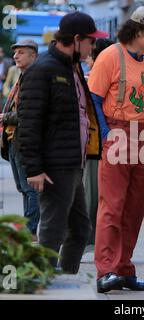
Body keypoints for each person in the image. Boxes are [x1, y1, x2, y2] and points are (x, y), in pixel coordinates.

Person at [17, 12, 107, 273]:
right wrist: (33, 169)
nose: (92, 47)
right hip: (55, 166)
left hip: (73, 163)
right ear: (76, 40)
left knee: (80, 230)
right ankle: (42, 283)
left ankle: (65, 280)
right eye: (90, 42)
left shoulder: (72, 68)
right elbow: (29, 124)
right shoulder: (43, 70)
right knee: (53, 231)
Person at [88, 6, 144, 293]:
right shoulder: (110, 56)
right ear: (137, 30)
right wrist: (108, 134)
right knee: (112, 206)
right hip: (118, 132)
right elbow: (94, 100)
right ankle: (106, 271)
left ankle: (124, 269)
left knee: (135, 207)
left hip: (142, 133)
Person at [0, 40, 39, 238]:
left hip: (25, 140)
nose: (15, 56)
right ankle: (28, 228)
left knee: (30, 188)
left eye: (21, 53)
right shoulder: (22, 77)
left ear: (33, 56)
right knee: (23, 188)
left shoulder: (34, 79)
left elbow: (29, 113)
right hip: (14, 139)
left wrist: (4, 117)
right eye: (15, 53)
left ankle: (31, 231)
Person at [83, 38, 114, 248]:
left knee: (92, 195)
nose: (86, 57)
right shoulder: (94, 76)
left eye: (90, 53)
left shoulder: (98, 77)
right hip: (97, 143)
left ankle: (89, 242)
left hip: (97, 143)